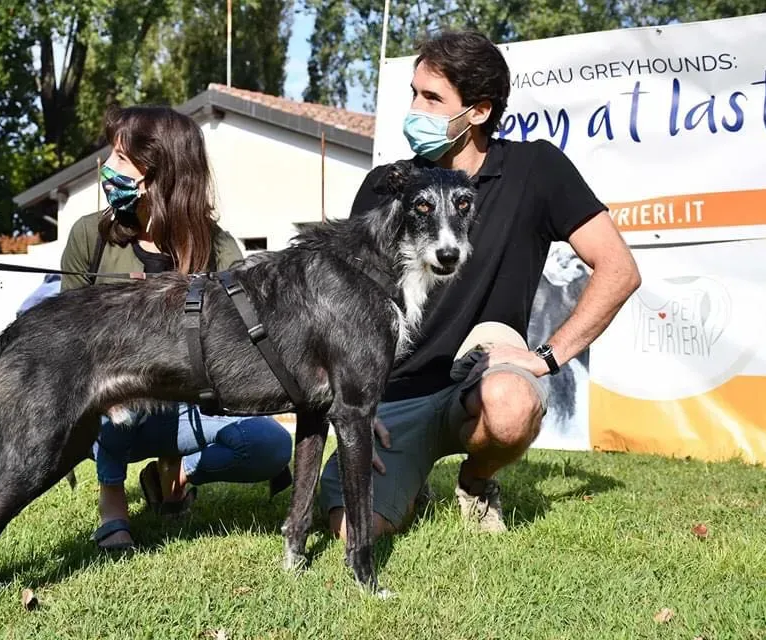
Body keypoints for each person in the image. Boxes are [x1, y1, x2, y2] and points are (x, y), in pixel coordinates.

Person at [318, 29, 641, 539]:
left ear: (479, 111)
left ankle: (476, 480)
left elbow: (619, 269)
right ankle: (412, 477)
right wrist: (356, 400)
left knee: (513, 406)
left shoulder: (536, 169)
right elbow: (345, 306)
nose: (414, 109)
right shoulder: (387, 184)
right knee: (350, 533)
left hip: (480, 376)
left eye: (431, 98)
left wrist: (546, 356)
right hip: (392, 394)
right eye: (413, 93)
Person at [60, 105, 293, 551]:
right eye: (111, 155)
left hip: (192, 403)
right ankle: (112, 505)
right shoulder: (89, 237)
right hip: (111, 410)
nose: (108, 170)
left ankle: (177, 474)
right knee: (116, 397)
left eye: (122, 160)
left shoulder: (219, 246)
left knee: (270, 446)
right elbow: (70, 343)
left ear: (161, 173)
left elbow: (244, 339)